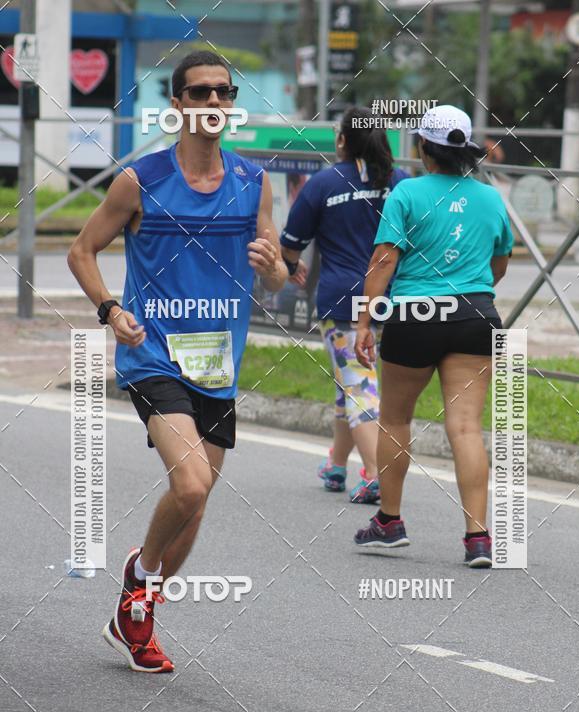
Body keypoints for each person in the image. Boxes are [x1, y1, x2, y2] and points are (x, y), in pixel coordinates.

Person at [68, 51, 287, 672]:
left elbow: (272, 279)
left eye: (224, 93)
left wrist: (274, 271)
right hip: (153, 354)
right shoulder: (141, 181)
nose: (215, 104)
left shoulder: (253, 182)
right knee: (189, 482)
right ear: (178, 107)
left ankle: (137, 609)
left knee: (196, 500)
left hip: (218, 364)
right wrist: (111, 310)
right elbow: (82, 252)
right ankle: (139, 577)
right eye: (201, 94)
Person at [353, 104, 513, 567]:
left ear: (424, 146)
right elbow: (498, 264)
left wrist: (365, 322)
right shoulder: (490, 198)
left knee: (397, 418)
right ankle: (478, 538)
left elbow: (384, 263)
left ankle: (389, 522)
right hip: (477, 315)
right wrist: (473, 298)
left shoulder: (407, 193)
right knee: (465, 427)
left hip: (414, 314)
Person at [279, 107, 408, 503]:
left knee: (358, 388)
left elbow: (290, 243)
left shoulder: (322, 184)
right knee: (350, 384)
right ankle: (337, 464)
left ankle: (374, 474)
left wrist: (290, 264)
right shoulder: (401, 182)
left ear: (342, 141)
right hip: (395, 302)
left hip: (343, 301)